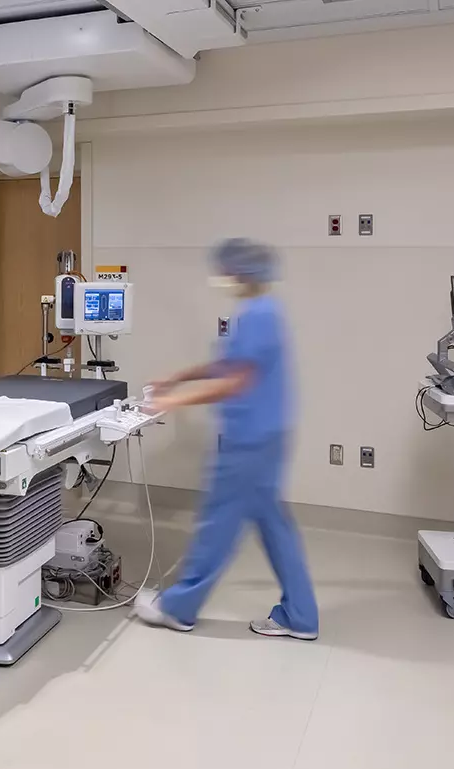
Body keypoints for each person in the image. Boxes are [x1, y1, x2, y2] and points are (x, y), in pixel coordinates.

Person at [132, 238, 319, 640]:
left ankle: (178, 608)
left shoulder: (257, 315)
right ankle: (301, 616)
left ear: (241, 273)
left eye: (227, 271)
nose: (222, 278)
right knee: (275, 528)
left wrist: (171, 402)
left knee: (218, 524)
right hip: (269, 436)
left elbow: (235, 381)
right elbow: (228, 364)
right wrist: (179, 377)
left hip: (249, 441)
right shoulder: (264, 311)